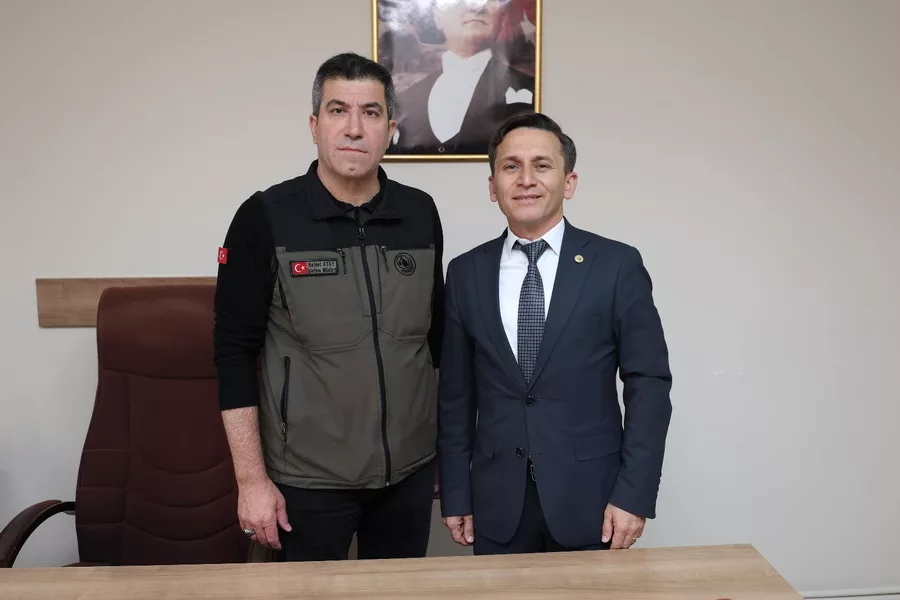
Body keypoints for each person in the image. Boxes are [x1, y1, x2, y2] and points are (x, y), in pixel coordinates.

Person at [213, 52, 444, 562]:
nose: (354, 128)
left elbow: (436, 345)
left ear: (391, 130)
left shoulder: (420, 213)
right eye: (339, 110)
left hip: (408, 476)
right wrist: (251, 481)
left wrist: (446, 455)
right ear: (315, 125)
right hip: (307, 483)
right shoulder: (265, 217)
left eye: (371, 112)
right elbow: (233, 354)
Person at [437, 113, 673, 555]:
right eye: (511, 166)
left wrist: (634, 494)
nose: (526, 179)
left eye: (542, 165)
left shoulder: (616, 266)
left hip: (593, 501)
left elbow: (649, 384)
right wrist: (455, 492)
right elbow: (455, 397)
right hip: (495, 503)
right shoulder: (465, 272)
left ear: (569, 182)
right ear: (493, 186)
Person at [388, 0, 535, 156]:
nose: (476, 8)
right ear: (438, 17)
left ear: (502, 15)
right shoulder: (408, 99)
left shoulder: (529, 88)